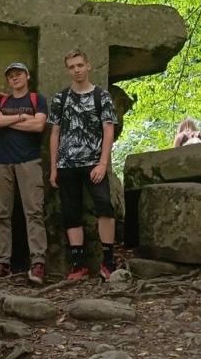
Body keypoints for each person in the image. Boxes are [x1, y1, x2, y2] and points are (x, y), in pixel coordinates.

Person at [48, 50, 118, 281]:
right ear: (67, 70)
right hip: (66, 164)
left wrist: (103, 163)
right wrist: (54, 168)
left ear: (88, 66)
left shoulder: (102, 96)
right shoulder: (61, 98)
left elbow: (108, 130)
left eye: (79, 65)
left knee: (105, 207)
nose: (76, 70)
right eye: (71, 67)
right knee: (70, 212)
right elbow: (55, 133)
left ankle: (108, 261)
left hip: (93, 164)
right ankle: (78, 264)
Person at [0, 62, 49, 285]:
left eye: (19, 74)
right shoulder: (0, 101)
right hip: (1, 163)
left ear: (27, 76)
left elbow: (38, 126)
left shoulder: (37, 100)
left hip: (29, 161)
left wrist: (6, 121)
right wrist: (21, 118)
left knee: (34, 212)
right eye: (11, 75)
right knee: (1, 215)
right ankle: (3, 264)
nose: (15, 77)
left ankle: (38, 263)